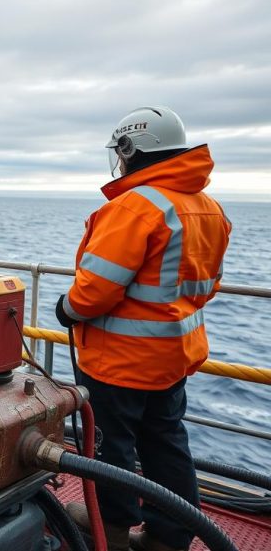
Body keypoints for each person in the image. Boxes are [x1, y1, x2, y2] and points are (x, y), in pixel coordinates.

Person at [55, 106, 231, 551]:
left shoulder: (134, 207)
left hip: (119, 360)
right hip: (173, 357)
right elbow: (206, 287)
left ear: (131, 150)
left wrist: (66, 309)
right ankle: (169, 535)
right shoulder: (207, 209)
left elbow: (96, 290)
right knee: (166, 444)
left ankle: (111, 529)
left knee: (109, 448)